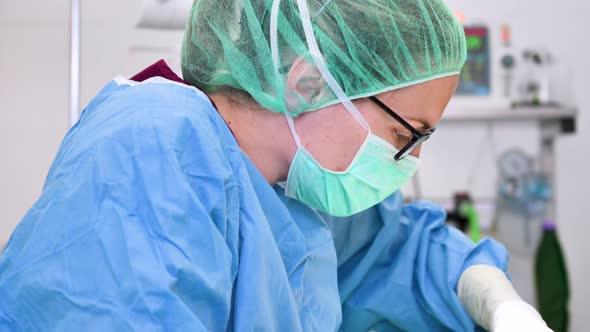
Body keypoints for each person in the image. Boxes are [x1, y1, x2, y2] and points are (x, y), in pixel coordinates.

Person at [0, 1, 551, 331]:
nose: (411, 159)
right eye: (403, 135)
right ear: (307, 82)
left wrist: (501, 305)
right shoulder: (154, 149)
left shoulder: (297, 192)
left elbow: (404, 251)